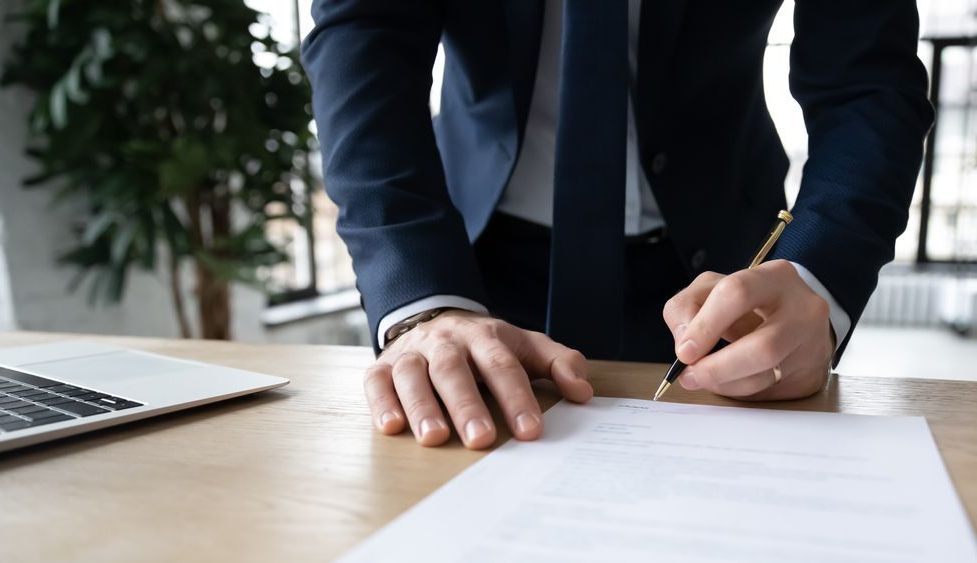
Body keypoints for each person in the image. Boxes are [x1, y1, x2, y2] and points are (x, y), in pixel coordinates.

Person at [301, 1, 933, 449]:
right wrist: (423, 303)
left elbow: (868, 79)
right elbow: (365, 35)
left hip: (729, 278)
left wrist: (818, 278)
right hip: (469, 267)